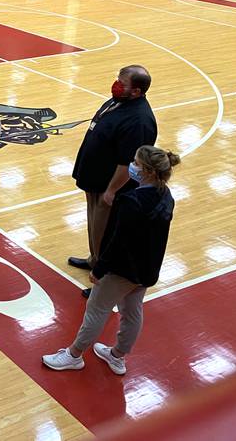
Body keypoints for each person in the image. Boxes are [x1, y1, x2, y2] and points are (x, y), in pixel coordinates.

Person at [43, 145, 179, 375]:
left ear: (148, 171)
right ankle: (117, 356)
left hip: (122, 270)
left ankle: (74, 355)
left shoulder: (131, 201)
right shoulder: (166, 195)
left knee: (96, 309)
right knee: (132, 312)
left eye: (136, 162)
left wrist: (100, 268)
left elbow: (117, 241)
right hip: (147, 270)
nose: (132, 166)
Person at [69, 65, 157, 297]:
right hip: (94, 179)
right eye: (117, 79)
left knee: (105, 232)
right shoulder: (117, 101)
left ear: (137, 91)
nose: (116, 84)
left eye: (122, 83)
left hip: (109, 186)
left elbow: (127, 162)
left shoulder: (139, 120)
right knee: (93, 224)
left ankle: (103, 277)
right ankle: (94, 258)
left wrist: (111, 190)